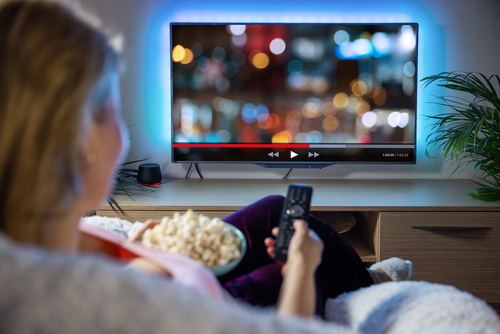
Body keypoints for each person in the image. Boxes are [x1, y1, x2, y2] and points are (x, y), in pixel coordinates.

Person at [0, 1, 420, 333]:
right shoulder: (99, 302)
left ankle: (366, 280)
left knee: (276, 210)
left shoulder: (37, 237)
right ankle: (367, 287)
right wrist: (301, 272)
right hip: (200, 301)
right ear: (83, 144)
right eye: (113, 108)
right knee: (284, 268)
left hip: (176, 283)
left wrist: (141, 252)